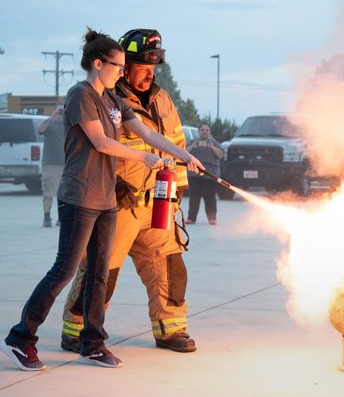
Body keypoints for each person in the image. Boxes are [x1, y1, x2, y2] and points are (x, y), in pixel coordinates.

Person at [0, 28, 202, 372]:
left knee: (109, 273)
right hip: (85, 196)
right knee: (68, 270)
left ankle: (94, 344)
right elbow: (102, 143)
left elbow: (151, 133)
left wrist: (183, 155)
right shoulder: (80, 95)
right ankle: (22, 337)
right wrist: (147, 160)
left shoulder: (116, 100)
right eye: (122, 65)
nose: (127, 72)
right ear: (100, 63)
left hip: (128, 200)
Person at [61, 29, 197, 354]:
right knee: (100, 272)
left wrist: (177, 190)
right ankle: (76, 329)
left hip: (158, 205)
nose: (149, 73)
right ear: (124, 65)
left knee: (170, 266)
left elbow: (174, 142)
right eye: (141, 66)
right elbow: (98, 147)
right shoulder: (106, 99)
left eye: (154, 67)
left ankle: (170, 330)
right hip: (117, 204)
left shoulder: (162, 99)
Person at [186, 124, 224, 225]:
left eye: (207, 130)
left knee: (210, 198)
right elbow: (184, 153)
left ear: (210, 132)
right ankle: (191, 218)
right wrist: (193, 146)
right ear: (198, 131)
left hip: (210, 175)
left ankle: (212, 219)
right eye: (202, 130)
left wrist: (212, 147)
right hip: (194, 175)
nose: (204, 131)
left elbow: (221, 155)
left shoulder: (215, 143)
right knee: (194, 198)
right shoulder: (193, 142)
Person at [38, 105, 65, 227]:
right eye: (58, 112)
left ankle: (61, 218)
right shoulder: (49, 124)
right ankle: (47, 217)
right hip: (51, 165)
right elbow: (40, 130)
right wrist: (51, 117)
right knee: (49, 193)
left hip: (67, 164)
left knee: (64, 194)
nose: (60, 114)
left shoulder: (68, 126)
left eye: (62, 112)